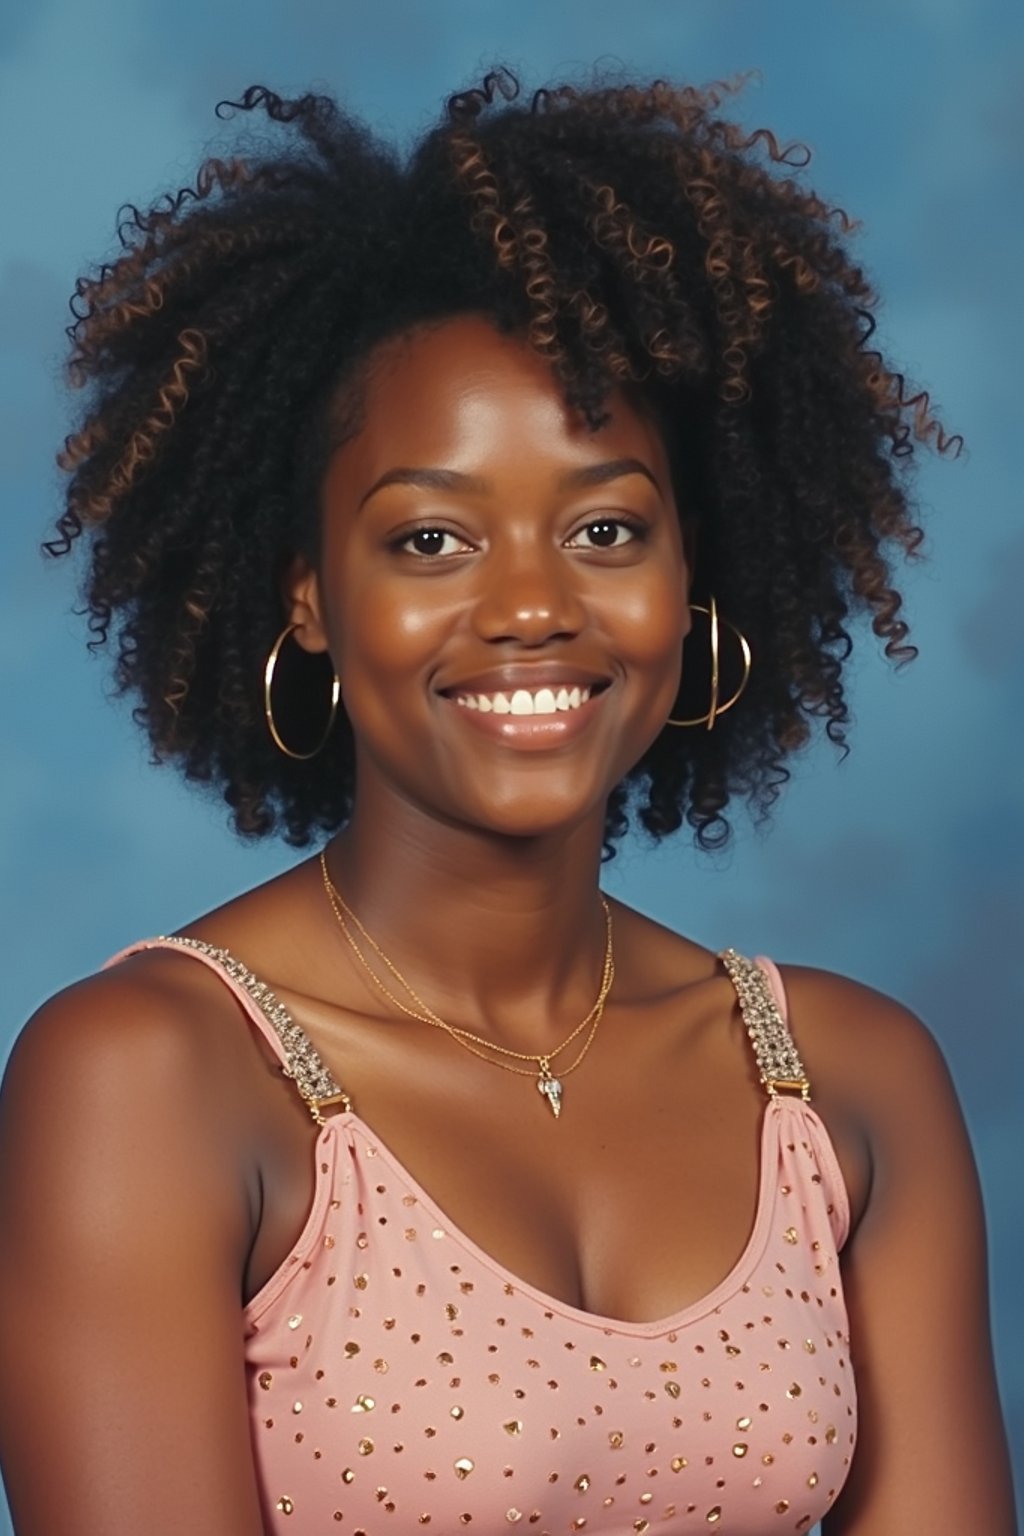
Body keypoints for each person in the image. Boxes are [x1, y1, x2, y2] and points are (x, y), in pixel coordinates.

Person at [0, 69, 1015, 1536]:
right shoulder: (150, 1077)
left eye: (607, 527)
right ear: (310, 598)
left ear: (693, 578)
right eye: (430, 538)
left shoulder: (848, 1082)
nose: (536, 605)